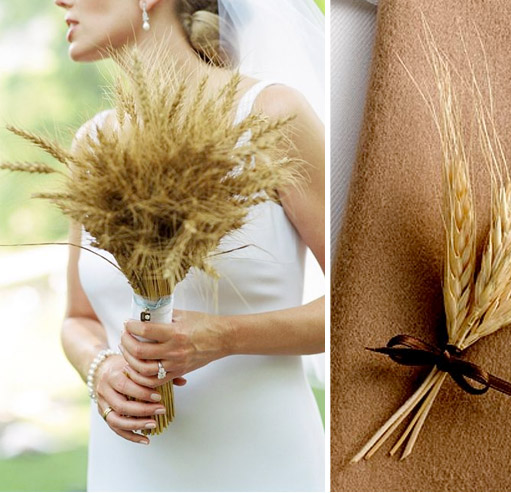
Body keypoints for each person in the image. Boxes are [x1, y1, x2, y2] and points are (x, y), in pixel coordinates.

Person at [53, 0, 325, 491]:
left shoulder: (271, 116)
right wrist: (101, 368)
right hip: (128, 470)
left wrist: (224, 337)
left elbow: (364, 308)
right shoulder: (91, 145)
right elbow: (79, 318)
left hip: (263, 466)